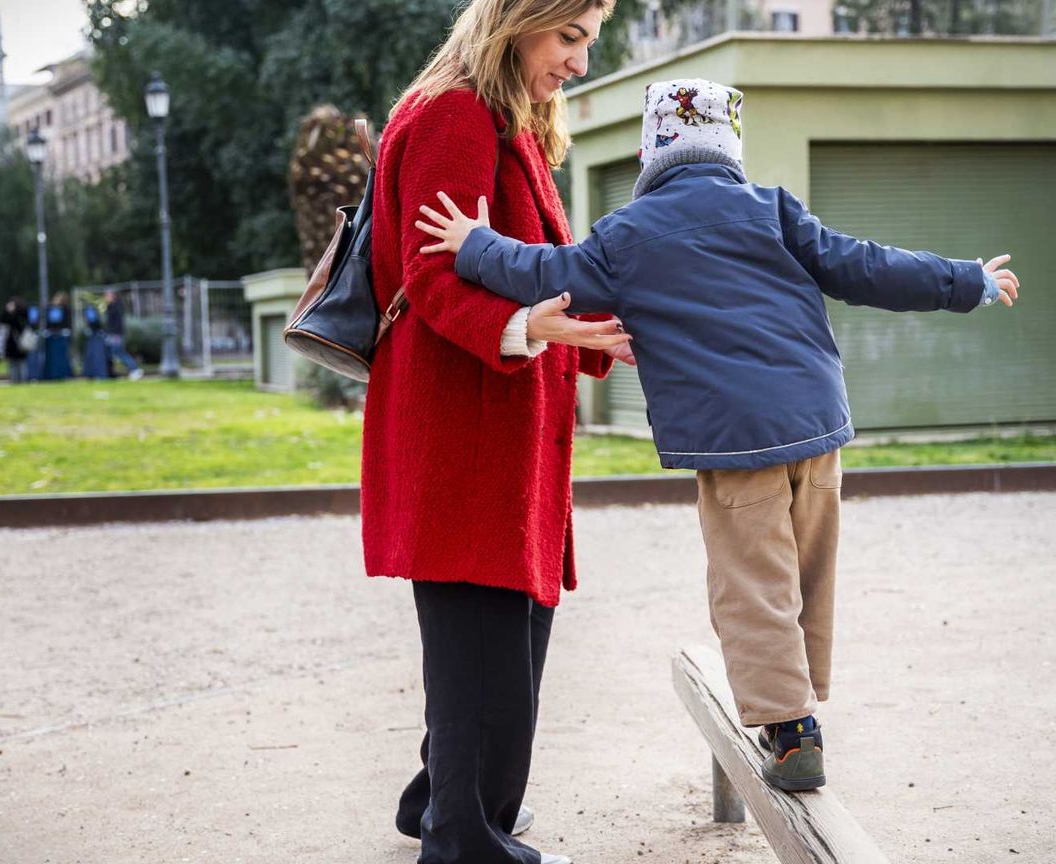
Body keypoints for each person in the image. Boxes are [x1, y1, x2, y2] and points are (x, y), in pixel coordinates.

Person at [416, 78, 1021, 793]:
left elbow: (548, 274)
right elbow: (865, 265)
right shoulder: (773, 210)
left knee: (753, 585)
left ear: (648, 155)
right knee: (808, 571)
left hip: (734, 441)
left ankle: (792, 729)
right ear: (731, 151)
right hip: (817, 425)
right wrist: (964, 281)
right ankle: (800, 707)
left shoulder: (626, 234)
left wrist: (476, 245)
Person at [364, 1, 632, 862]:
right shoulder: (455, 114)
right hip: (467, 433)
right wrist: (532, 328)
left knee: (496, 644)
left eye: (589, 42)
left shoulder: (502, 119)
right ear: (519, 20)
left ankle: (444, 804)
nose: (580, 62)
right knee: (487, 648)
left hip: (493, 427)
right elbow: (432, 277)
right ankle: (463, 840)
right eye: (570, 37)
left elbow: (533, 271)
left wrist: (587, 333)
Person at [101, 290, 144, 381]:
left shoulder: (115, 307)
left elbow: (116, 323)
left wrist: (113, 335)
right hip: (114, 334)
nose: (106, 298)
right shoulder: (113, 306)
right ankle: (111, 372)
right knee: (113, 353)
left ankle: (134, 369)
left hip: (115, 334)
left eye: (107, 296)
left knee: (119, 352)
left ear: (112, 296)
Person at [41, 291, 74, 381]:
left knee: (62, 357)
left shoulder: (66, 309)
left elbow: (68, 322)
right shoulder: (50, 309)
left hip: (61, 336)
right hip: (52, 336)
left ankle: (62, 374)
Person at [0, 296, 32, 384]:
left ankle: (16, 380)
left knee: (16, 364)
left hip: (16, 341)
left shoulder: (19, 315)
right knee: (19, 363)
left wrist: (10, 313)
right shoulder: (24, 313)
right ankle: (20, 380)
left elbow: (7, 322)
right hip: (17, 342)